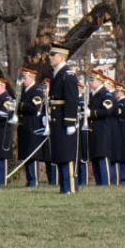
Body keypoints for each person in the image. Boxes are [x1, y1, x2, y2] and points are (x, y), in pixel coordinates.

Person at [46, 44, 80, 193]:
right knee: (60, 153)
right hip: (57, 119)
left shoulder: (68, 74)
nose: (50, 57)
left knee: (67, 154)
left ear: (61, 56)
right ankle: (63, 187)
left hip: (64, 120)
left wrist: (70, 121)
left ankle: (70, 187)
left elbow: (72, 100)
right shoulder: (57, 73)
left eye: (52, 54)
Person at [16, 66, 47, 188]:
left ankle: (34, 180)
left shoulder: (37, 90)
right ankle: (29, 179)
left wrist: (20, 105)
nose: (23, 80)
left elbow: (34, 108)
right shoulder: (23, 91)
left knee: (32, 154)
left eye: (25, 78)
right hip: (24, 125)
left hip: (33, 125)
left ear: (31, 77)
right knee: (25, 153)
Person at [87, 69, 116, 186]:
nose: (90, 82)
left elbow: (107, 111)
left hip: (102, 130)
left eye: (92, 80)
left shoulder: (105, 94)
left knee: (102, 156)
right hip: (93, 130)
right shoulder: (91, 95)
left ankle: (106, 182)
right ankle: (99, 183)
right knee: (94, 157)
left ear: (100, 80)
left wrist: (92, 113)